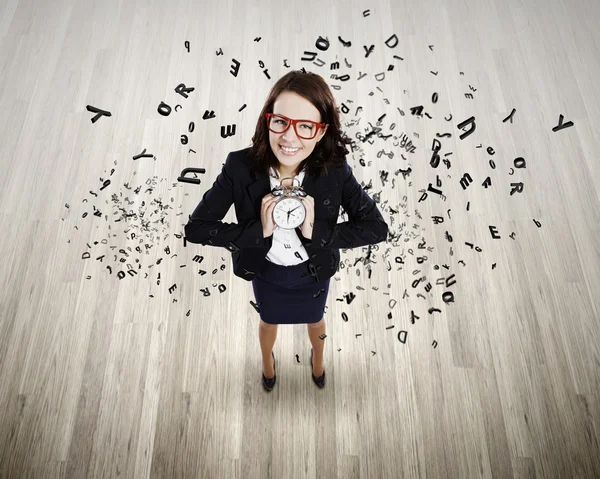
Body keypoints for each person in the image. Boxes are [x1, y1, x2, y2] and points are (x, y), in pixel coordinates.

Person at [184, 70, 388, 392]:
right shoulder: (239, 167)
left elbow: (376, 228)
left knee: (316, 320)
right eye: (280, 121)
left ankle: (318, 358)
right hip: (266, 272)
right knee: (268, 320)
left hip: (314, 272)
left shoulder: (335, 171)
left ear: (321, 133)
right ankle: (268, 362)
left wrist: (315, 231)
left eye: (305, 127)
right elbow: (196, 229)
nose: (289, 138)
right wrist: (257, 232)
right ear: (268, 120)